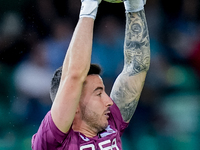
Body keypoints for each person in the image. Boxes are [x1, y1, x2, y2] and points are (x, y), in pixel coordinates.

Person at [31, 0, 150, 149]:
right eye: (98, 93)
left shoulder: (110, 122)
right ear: (74, 104)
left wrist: (135, 7)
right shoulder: (51, 140)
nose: (109, 101)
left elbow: (136, 67)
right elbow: (74, 76)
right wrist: (89, 5)